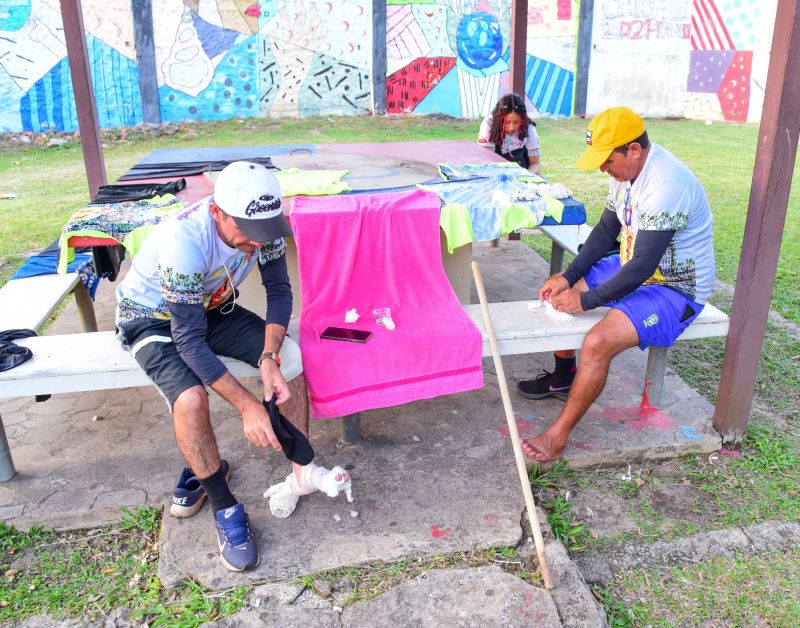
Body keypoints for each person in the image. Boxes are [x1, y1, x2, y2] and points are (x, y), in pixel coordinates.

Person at [115, 161, 342, 572]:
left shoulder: (262, 228)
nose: (257, 244)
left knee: (291, 358)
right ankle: (223, 504)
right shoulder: (182, 241)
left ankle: (302, 471)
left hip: (213, 307)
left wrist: (269, 358)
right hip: (154, 319)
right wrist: (248, 406)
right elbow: (187, 339)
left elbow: (278, 289)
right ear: (217, 212)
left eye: (264, 233)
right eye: (248, 234)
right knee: (190, 400)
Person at [517, 106, 715, 462]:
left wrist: (589, 300)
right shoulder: (624, 173)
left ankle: (558, 436)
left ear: (633, 150)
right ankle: (563, 378)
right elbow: (607, 229)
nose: (602, 168)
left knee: (597, 342)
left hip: (676, 289)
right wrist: (569, 276)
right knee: (564, 293)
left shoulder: (666, 184)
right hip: (637, 265)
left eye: (607, 160)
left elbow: (642, 268)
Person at [478, 93, 542, 173]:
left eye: (516, 122)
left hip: (521, 172)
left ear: (522, 120)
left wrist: (526, 175)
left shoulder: (528, 127)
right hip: (494, 172)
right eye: (507, 122)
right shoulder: (489, 124)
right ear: (498, 119)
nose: (512, 127)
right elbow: (484, 161)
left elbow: (535, 164)